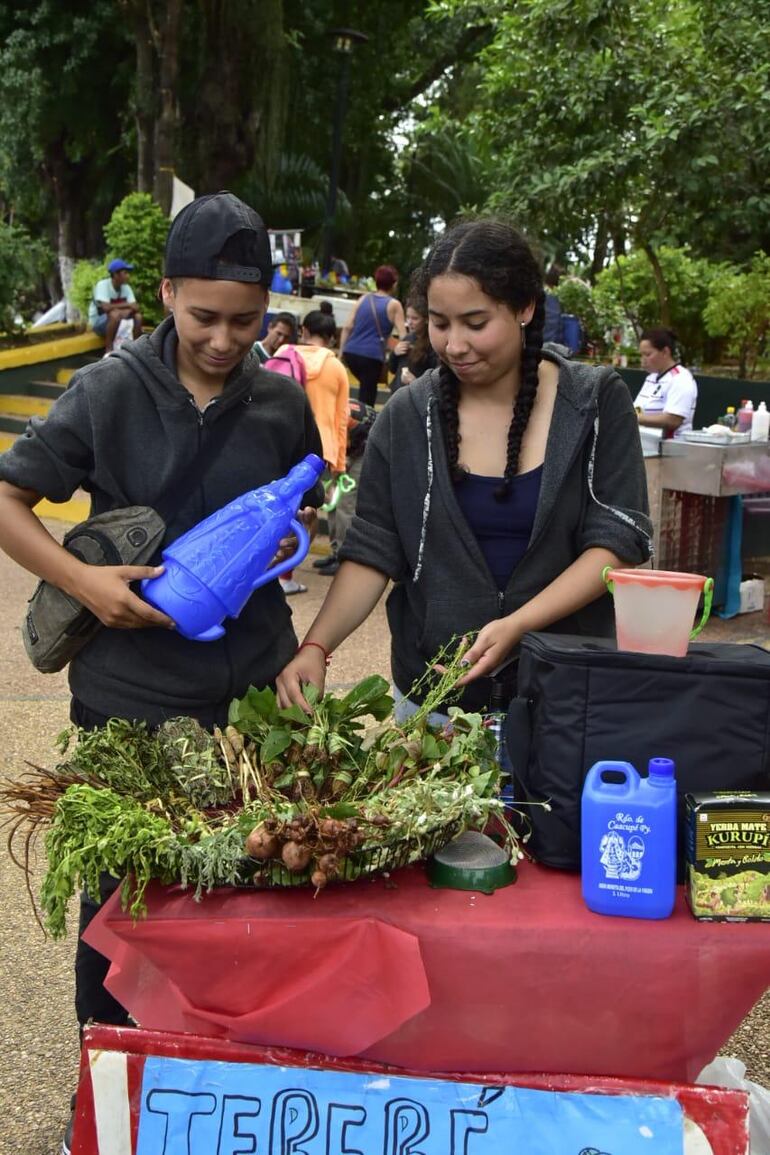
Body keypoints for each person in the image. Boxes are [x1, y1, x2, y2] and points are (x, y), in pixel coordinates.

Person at [0, 191, 323, 1155]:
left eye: (246, 318)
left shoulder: (280, 401)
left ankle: (221, 1111)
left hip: (249, 701)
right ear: (167, 293)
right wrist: (84, 583)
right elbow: (11, 500)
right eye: (204, 316)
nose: (225, 338)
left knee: (243, 913)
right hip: (128, 701)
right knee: (120, 916)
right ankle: (106, 1111)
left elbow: (301, 509)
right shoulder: (106, 391)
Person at [277, 218, 652, 720]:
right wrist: (316, 647)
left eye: (476, 323)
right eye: (439, 322)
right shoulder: (408, 417)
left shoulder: (594, 403)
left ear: (525, 307)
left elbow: (618, 544)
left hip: (565, 703)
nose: (454, 345)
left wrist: (520, 624)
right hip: (434, 708)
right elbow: (373, 551)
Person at [278, 310, 350, 595]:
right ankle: (286, 576)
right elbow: (341, 417)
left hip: (280, 440)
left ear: (303, 329)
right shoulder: (336, 368)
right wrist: (340, 463)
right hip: (318, 449)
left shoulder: (284, 352)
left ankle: (267, 571)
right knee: (304, 513)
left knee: (278, 507)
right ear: (331, 336)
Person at [339, 265, 406, 406]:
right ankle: (363, 425)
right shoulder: (394, 305)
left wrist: (340, 353)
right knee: (367, 398)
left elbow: (347, 326)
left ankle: (351, 418)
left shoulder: (364, 298)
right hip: (371, 357)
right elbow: (403, 335)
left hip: (350, 354)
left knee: (362, 388)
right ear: (394, 284)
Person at [634, 327, 698, 440]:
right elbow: (638, 409)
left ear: (665, 352)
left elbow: (673, 420)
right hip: (644, 444)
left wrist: (631, 417)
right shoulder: (651, 378)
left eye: (648, 354)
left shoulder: (681, 379)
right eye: (641, 355)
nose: (643, 360)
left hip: (671, 449)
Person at [87, 258, 143, 354]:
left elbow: (136, 307)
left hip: (119, 319)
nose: (128, 276)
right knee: (114, 314)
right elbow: (106, 308)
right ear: (116, 275)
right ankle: (109, 350)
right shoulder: (103, 285)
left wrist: (127, 310)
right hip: (99, 323)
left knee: (138, 316)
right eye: (125, 273)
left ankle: (136, 348)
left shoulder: (126, 287)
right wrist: (127, 305)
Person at [388, 293, 437, 392]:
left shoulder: (432, 343)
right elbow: (392, 369)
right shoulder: (408, 338)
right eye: (408, 317)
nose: (409, 322)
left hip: (415, 396)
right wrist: (395, 353)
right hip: (397, 393)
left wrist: (415, 381)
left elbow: (436, 376)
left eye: (414, 318)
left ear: (426, 320)